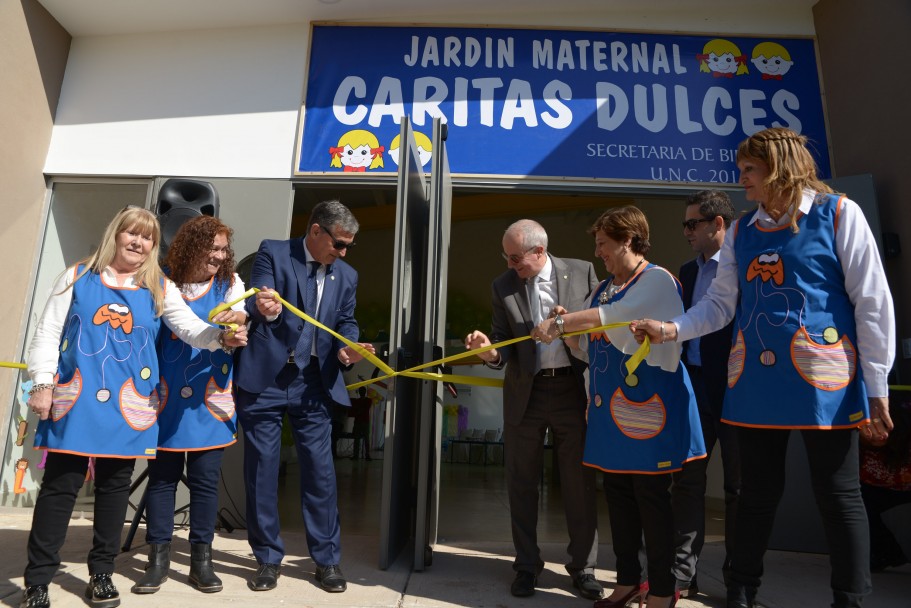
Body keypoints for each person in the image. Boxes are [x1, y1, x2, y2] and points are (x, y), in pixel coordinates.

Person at [630, 127, 896, 608]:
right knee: (755, 494)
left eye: (749, 171)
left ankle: (850, 600)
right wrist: (669, 329)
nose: (742, 181)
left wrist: (876, 385)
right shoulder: (742, 231)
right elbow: (719, 305)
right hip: (754, 382)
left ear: (780, 167)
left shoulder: (840, 214)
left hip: (826, 379)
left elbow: (873, 303)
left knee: (838, 495)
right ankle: (742, 593)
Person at [21, 207, 247, 608]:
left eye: (147, 238)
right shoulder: (76, 276)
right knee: (59, 491)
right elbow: (47, 333)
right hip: (75, 401)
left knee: (113, 492)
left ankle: (102, 574)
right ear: (116, 234)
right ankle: (38, 580)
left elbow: (190, 329)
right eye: (132, 234)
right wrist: (41, 384)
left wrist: (222, 337)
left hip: (131, 408)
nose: (139, 243)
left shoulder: (159, 285)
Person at [532, 206, 706, 608]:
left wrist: (564, 323)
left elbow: (610, 319)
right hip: (612, 414)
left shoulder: (657, 281)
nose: (599, 253)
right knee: (619, 497)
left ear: (628, 240)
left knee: (651, 497)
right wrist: (569, 329)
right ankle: (628, 581)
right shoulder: (604, 288)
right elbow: (590, 348)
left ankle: (662, 589)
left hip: (650, 411)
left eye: (604, 244)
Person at [234, 200, 375, 594]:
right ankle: (266, 559)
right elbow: (257, 301)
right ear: (316, 231)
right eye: (339, 244)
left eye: (349, 246)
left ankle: (327, 560)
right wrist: (266, 308)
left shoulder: (346, 275)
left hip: (314, 381)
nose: (344, 252)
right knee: (262, 469)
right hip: (267, 379)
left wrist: (348, 348)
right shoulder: (273, 252)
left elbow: (345, 321)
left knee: (320, 471)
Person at [464, 219, 603, 601]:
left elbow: (601, 330)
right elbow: (503, 343)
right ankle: (526, 566)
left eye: (516, 258)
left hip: (572, 391)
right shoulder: (502, 285)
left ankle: (584, 567)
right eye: (506, 257)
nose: (511, 265)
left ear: (539, 252)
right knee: (521, 482)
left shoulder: (582, 271)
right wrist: (490, 352)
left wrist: (569, 325)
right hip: (526, 392)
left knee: (578, 482)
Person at [132, 216, 248, 595]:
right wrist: (220, 334)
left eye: (223, 249)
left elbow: (240, 311)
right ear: (191, 246)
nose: (219, 255)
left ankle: (202, 561)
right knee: (162, 481)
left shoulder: (230, 283)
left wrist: (238, 321)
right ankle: (157, 559)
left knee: (204, 482)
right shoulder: (162, 279)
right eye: (212, 248)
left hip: (210, 398)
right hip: (165, 396)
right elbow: (183, 327)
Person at [672, 190, 740, 597]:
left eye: (692, 224)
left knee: (738, 488)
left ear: (718, 224)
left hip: (733, 388)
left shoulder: (744, 265)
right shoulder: (687, 270)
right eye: (684, 224)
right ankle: (683, 574)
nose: (686, 232)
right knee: (687, 481)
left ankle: (737, 578)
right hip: (693, 386)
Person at [859, 399, 911, 572]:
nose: (877, 434)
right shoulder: (857, 447)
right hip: (877, 490)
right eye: (870, 427)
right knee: (858, 505)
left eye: (883, 427)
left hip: (906, 486)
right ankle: (888, 554)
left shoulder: (904, 444)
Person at [349, 387, 372, 460]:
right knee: (357, 439)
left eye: (362, 391)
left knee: (366, 439)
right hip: (358, 422)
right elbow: (356, 409)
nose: (361, 392)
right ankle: (356, 455)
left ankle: (367, 455)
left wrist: (358, 411)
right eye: (360, 391)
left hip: (364, 421)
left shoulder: (368, 400)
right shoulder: (358, 401)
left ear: (364, 392)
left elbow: (363, 409)